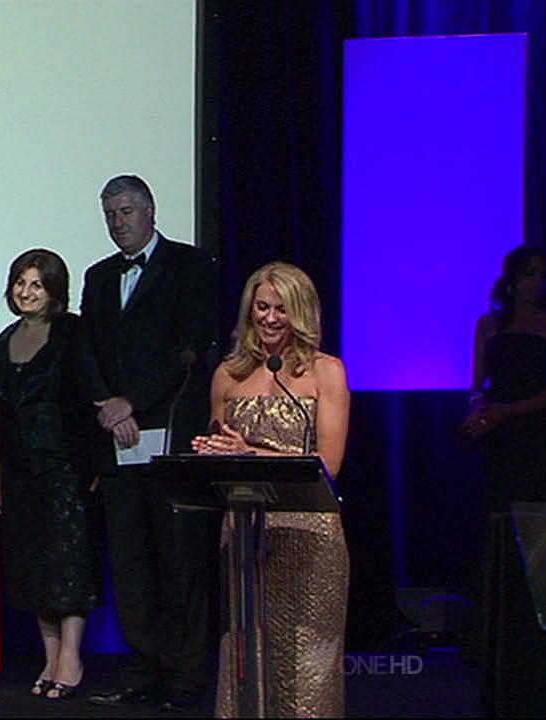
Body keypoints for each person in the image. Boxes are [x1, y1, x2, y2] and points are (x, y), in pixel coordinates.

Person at [75, 174, 219, 711]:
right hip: (115, 440)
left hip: (169, 434)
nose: (118, 223)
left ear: (150, 210)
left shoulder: (190, 266)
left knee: (179, 560)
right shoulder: (98, 276)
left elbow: (190, 348)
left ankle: (185, 674)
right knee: (130, 563)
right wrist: (108, 408)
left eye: (126, 211)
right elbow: (86, 350)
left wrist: (132, 402)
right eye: (110, 214)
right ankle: (142, 668)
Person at [191, 260, 351, 718]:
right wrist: (211, 455)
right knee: (245, 654)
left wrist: (250, 453)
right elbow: (222, 453)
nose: (270, 318)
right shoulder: (228, 375)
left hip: (309, 534)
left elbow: (328, 465)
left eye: (282, 309)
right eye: (262, 307)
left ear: (301, 313)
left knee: (306, 662)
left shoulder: (326, 372)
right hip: (245, 534)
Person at [0, 248, 100, 700]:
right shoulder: (3, 341)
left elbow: (88, 397)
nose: (26, 292)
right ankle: (50, 657)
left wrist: (94, 462)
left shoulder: (72, 332)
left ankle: (71, 657)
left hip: (65, 467)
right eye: (20, 283)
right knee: (32, 564)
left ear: (54, 290)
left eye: (36, 284)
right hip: (19, 470)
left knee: (68, 563)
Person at [457, 244, 546, 507]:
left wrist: (510, 410)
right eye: (529, 274)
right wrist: (476, 412)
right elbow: (477, 383)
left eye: (543, 276)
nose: (537, 282)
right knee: (499, 506)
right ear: (512, 278)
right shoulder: (487, 324)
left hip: (538, 427)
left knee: (535, 505)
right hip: (497, 428)